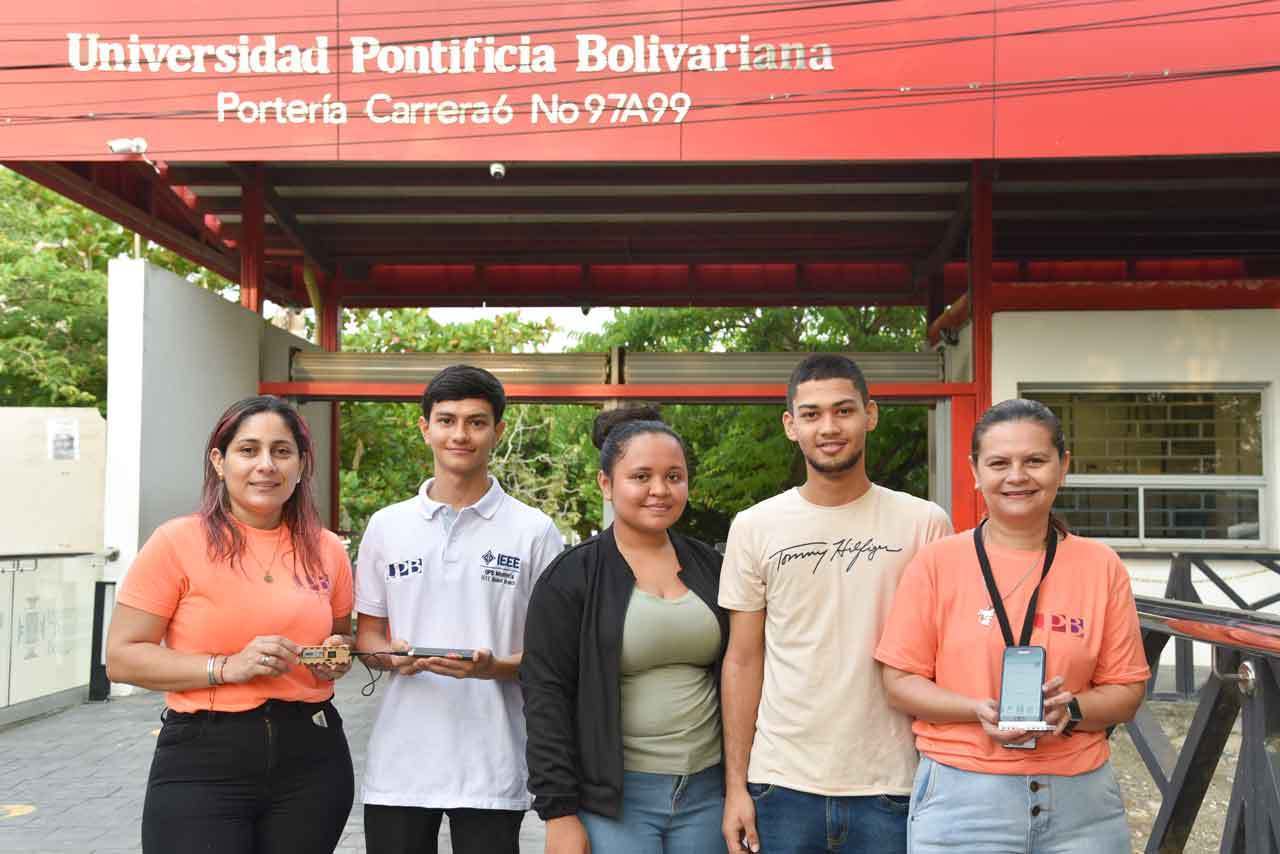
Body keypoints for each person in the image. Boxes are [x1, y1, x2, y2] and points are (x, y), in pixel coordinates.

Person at [875, 398, 1150, 854]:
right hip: (962, 802)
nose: (1017, 476)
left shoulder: (1100, 566)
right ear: (975, 471)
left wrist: (1072, 710)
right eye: (999, 463)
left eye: (1035, 461)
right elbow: (899, 682)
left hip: (1081, 804)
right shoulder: (937, 564)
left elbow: (1127, 689)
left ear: (1063, 467)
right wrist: (977, 710)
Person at [720, 353, 953, 854]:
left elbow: (945, 655)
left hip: (895, 784)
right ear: (790, 425)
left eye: (843, 411)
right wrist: (735, 786)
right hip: (781, 783)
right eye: (812, 414)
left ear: (870, 415)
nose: (829, 427)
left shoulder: (924, 524)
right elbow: (742, 659)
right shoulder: (755, 526)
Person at [106, 395, 356, 854]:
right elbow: (121, 658)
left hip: (312, 758)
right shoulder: (176, 542)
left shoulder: (328, 549)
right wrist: (225, 667)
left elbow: (340, 637)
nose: (266, 465)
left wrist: (335, 656)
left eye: (282, 451)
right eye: (248, 450)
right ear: (219, 461)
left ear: (301, 464)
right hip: (202, 757)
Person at [354, 364, 565, 854]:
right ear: (425, 428)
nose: (460, 434)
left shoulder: (533, 531)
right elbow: (367, 637)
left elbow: (553, 656)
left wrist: (494, 668)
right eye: (446, 420)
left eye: (476, 421)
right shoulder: (387, 527)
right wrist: (389, 657)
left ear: (498, 431)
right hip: (400, 766)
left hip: (493, 764)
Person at [522, 406, 729, 854]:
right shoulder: (571, 577)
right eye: (641, 477)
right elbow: (545, 696)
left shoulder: (712, 567)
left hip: (709, 792)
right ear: (606, 484)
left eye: (674, 476)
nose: (660, 490)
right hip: (614, 800)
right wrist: (559, 813)